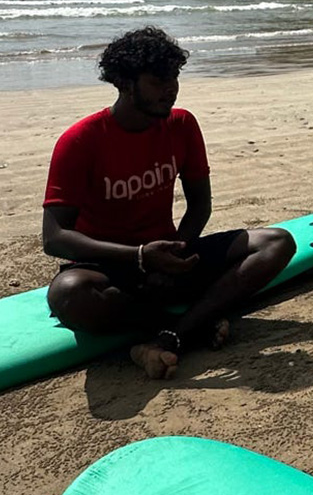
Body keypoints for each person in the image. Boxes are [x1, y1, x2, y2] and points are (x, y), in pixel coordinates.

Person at [41, 26, 294, 379]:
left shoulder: (182, 125)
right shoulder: (81, 141)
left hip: (171, 259)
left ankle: (169, 335)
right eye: (159, 81)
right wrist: (141, 256)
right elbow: (54, 238)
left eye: (174, 78)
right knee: (69, 295)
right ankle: (187, 324)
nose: (171, 89)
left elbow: (199, 206)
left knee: (276, 242)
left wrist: (175, 255)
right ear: (126, 84)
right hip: (107, 265)